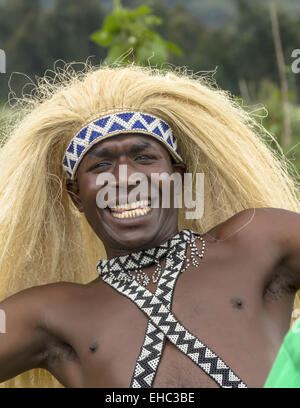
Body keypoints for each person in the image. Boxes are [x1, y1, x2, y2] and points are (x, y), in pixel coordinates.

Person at [0, 63, 300, 388]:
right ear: (76, 195)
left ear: (178, 177)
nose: (126, 179)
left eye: (144, 158)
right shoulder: (56, 314)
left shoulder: (256, 243)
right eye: (101, 165)